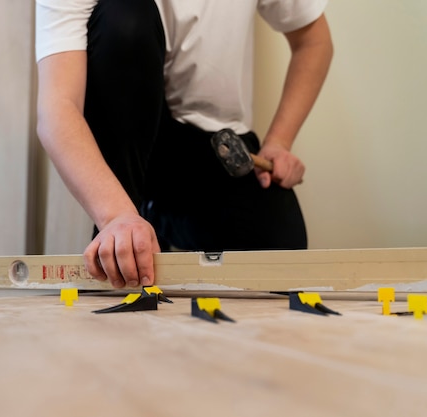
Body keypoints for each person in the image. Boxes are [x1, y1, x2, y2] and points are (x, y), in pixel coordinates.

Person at [35, 0, 333, 289]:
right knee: (125, 16)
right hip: (125, 146)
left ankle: (157, 217)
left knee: (280, 249)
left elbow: (314, 43)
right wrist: (116, 216)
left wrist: (279, 141)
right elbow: (58, 108)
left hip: (210, 143)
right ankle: (127, 223)